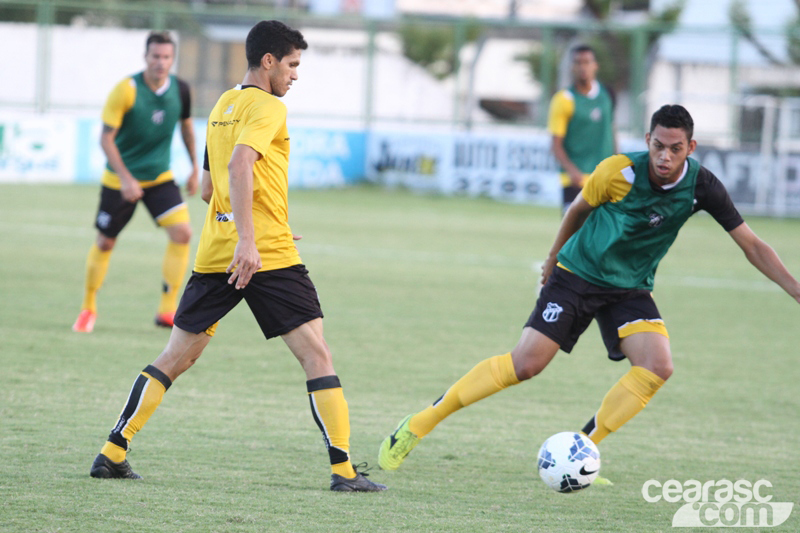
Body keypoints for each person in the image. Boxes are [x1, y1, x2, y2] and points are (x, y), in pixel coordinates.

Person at [378, 105, 800, 477]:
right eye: (658, 145)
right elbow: (577, 210)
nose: (664, 156)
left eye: (675, 148)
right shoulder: (618, 171)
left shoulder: (703, 187)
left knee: (657, 367)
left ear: (691, 147)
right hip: (577, 275)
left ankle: (582, 449)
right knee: (525, 365)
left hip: (630, 288)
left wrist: (795, 290)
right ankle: (419, 424)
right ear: (647, 140)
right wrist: (551, 259)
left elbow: (752, 245)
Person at [89, 20, 387, 493]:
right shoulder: (268, 106)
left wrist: (251, 222)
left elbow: (211, 189)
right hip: (263, 254)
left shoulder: (222, 105)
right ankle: (345, 471)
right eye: (292, 64)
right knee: (317, 354)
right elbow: (240, 165)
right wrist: (253, 237)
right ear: (268, 61)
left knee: (175, 357)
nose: (295, 75)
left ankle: (112, 451)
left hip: (215, 252)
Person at [72, 31, 199, 333]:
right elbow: (106, 139)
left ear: (172, 59)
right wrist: (127, 179)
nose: (161, 62)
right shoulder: (126, 90)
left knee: (182, 233)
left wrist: (195, 168)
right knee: (105, 241)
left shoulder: (180, 90)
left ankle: (167, 311)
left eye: (167, 57)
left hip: (159, 177)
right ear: (146, 57)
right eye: (155, 56)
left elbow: (187, 129)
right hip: (119, 180)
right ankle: (88, 308)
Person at [548, 44, 616, 213]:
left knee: (603, 234)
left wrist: (617, 163)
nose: (583, 67)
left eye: (587, 62)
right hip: (575, 180)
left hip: (603, 178)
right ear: (572, 67)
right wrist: (572, 172)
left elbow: (611, 131)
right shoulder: (564, 99)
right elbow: (556, 144)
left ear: (595, 65)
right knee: (573, 235)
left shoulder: (607, 94)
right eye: (578, 62)